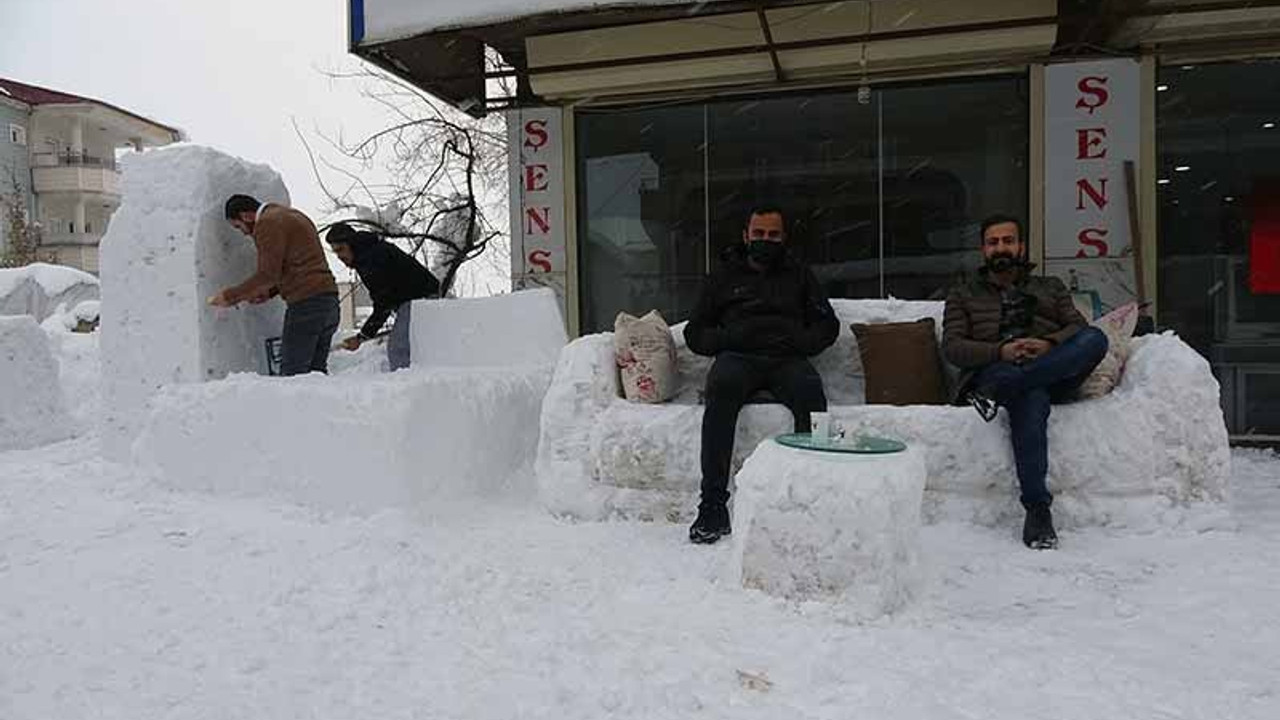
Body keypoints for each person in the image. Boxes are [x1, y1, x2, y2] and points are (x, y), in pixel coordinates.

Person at [942, 214, 1109, 550]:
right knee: (1030, 397)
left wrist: (1048, 344)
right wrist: (1000, 350)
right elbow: (954, 348)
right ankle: (1038, 511)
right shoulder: (963, 294)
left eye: (1007, 240)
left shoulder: (1050, 287)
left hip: (1051, 367)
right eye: (993, 242)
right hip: (997, 369)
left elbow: (1077, 328)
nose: (1000, 247)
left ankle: (1000, 392)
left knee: (1095, 338)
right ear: (983, 250)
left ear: (1021, 246)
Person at [683, 205, 840, 545]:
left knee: (812, 397)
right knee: (720, 391)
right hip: (737, 357)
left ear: (783, 238)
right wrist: (729, 339)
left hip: (787, 359)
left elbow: (827, 325)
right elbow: (695, 333)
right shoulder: (722, 277)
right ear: (745, 236)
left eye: (772, 235)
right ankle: (712, 506)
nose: (764, 241)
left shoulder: (799, 275)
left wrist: (799, 341)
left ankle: (812, 497)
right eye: (758, 234)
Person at [210, 195, 340, 376]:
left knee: (292, 375)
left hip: (307, 305)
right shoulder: (293, 215)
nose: (245, 233)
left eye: (239, 227)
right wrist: (271, 292)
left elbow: (267, 274)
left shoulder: (267, 223)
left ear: (246, 215)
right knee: (315, 374)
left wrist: (229, 297)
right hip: (328, 301)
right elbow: (299, 265)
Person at [326, 222, 441, 371]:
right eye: (335, 252)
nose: (339, 256)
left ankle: (405, 386)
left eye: (341, 249)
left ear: (351, 243)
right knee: (410, 345)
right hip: (414, 298)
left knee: (398, 347)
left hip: (420, 299)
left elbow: (383, 303)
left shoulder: (371, 259)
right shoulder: (368, 253)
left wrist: (362, 337)